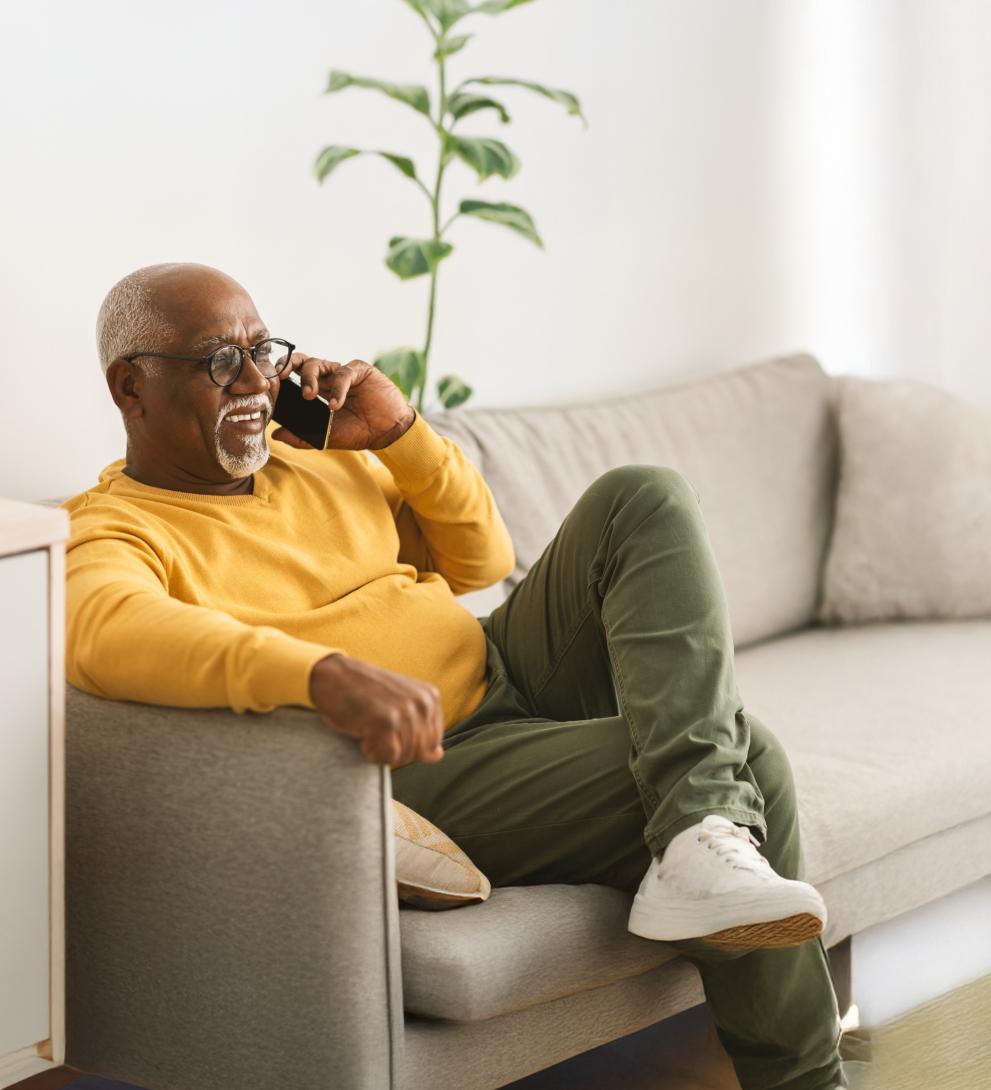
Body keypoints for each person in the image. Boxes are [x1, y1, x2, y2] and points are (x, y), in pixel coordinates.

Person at [63, 262, 849, 1090]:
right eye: (221, 361)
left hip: (506, 670)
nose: (258, 380)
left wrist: (400, 430)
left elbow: (484, 559)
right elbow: (111, 633)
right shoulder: (114, 529)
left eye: (264, 350)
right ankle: (800, 1078)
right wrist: (322, 673)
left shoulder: (321, 458)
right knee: (744, 760)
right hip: (430, 763)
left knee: (641, 497)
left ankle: (699, 839)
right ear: (131, 388)